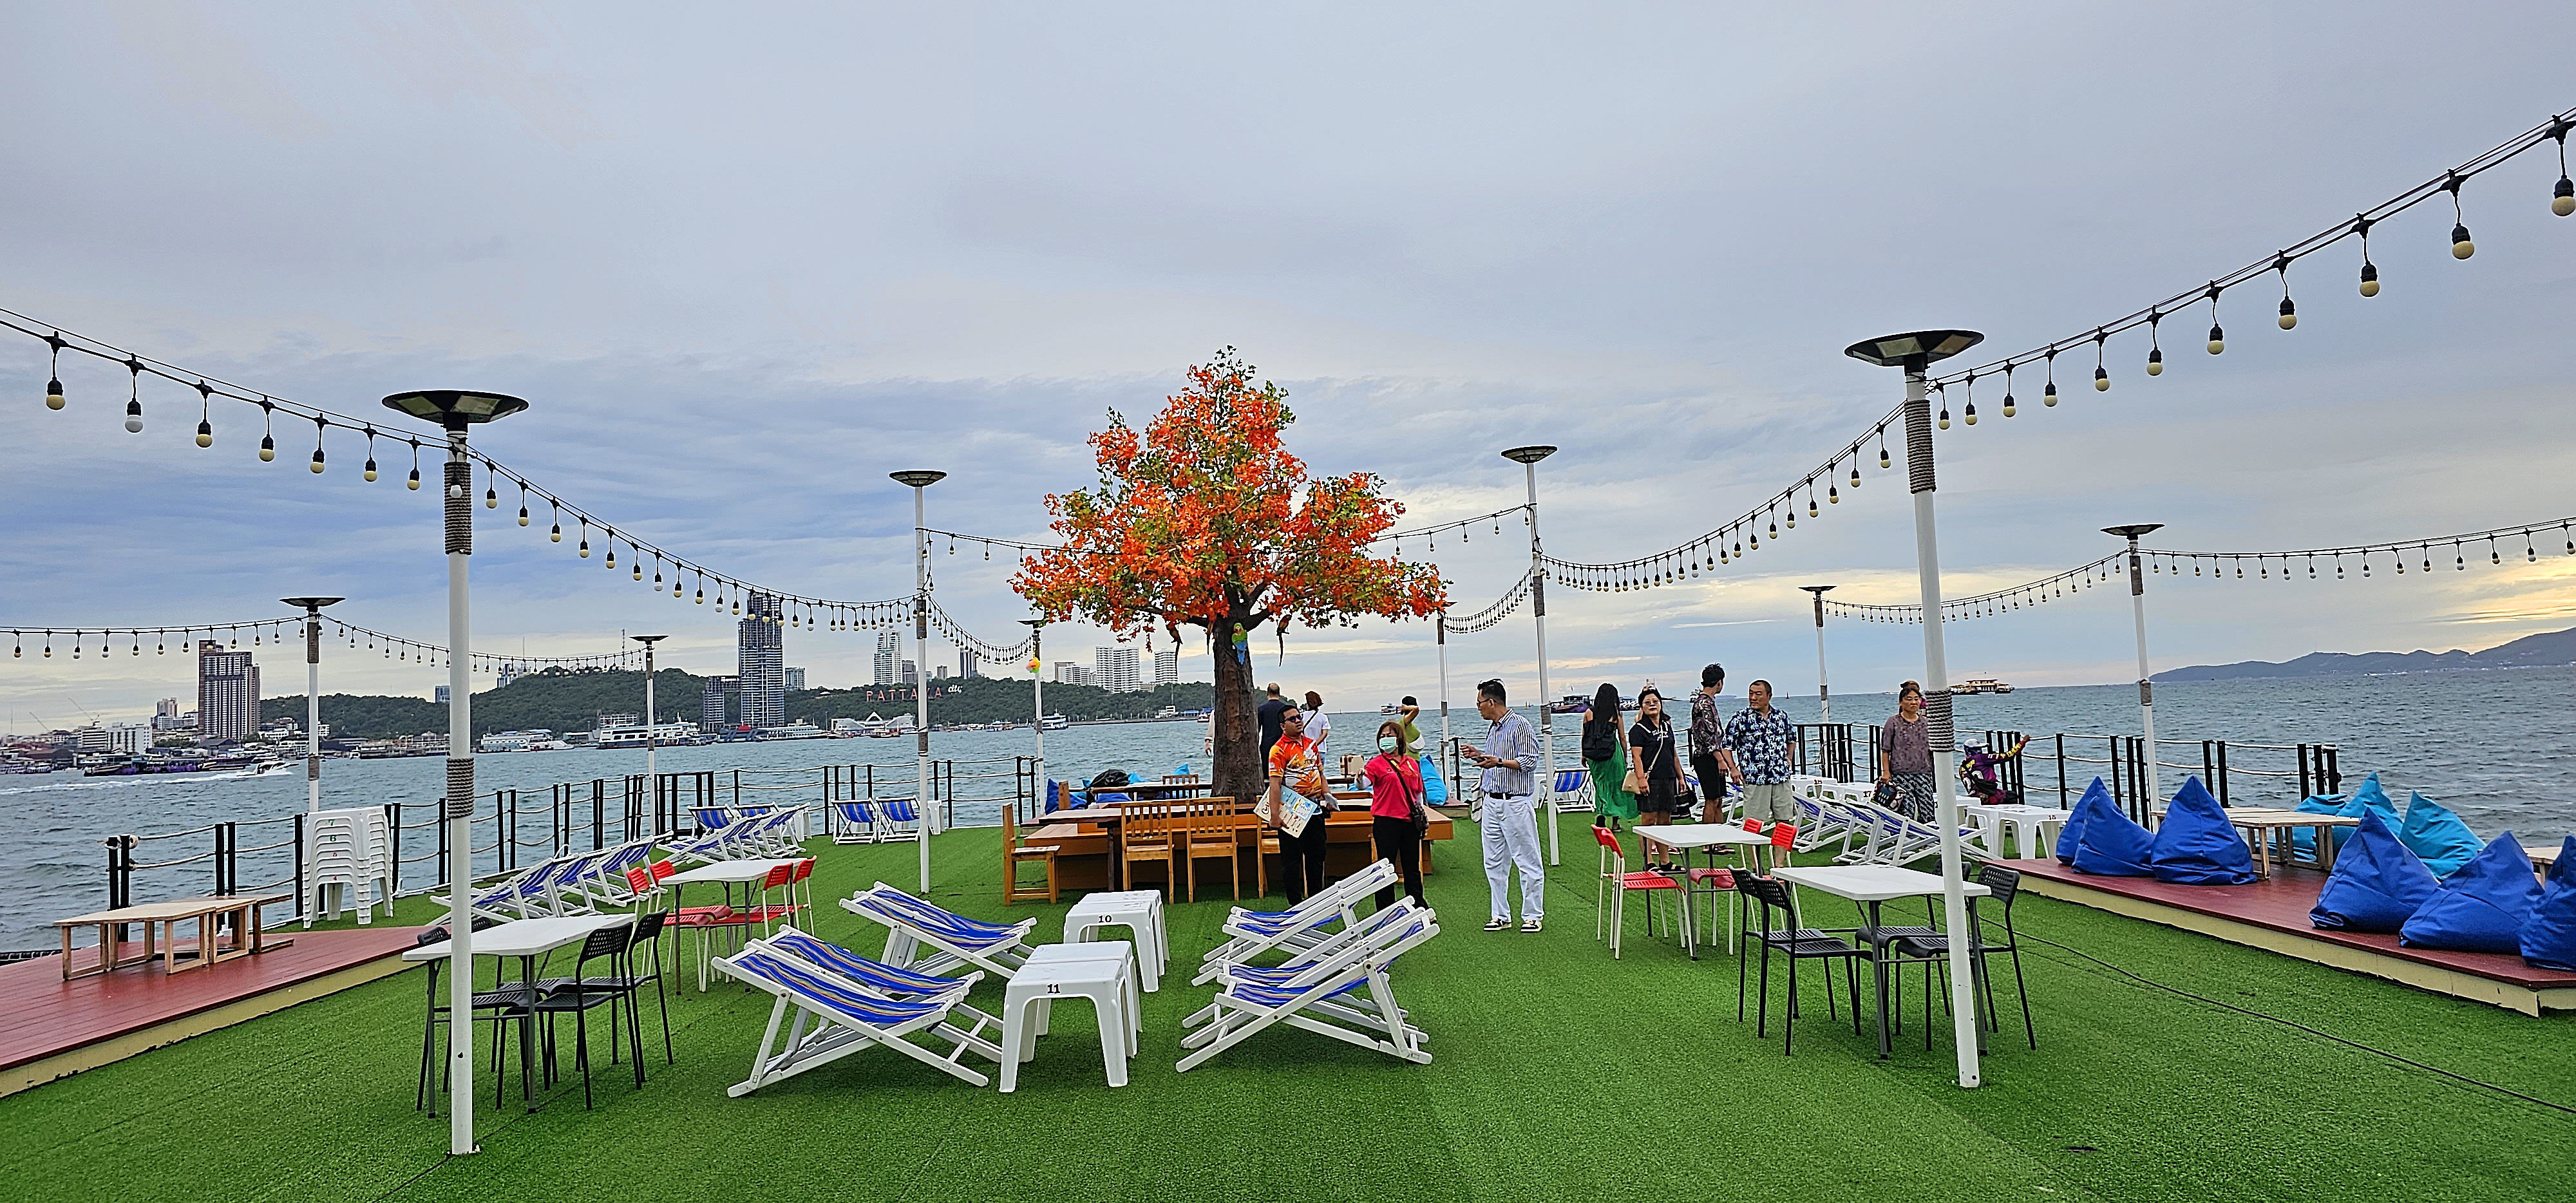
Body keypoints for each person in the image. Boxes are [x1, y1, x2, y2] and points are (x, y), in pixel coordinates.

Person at [1459, 678, 1544, 932]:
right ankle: (1500, 915)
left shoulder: (1520, 726)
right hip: (1492, 801)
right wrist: (1479, 755)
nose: (1478, 707)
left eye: (1479, 703)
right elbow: (1497, 760)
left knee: (1527, 859)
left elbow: (1530, 761)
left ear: (1491, 702)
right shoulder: (1494, 729)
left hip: (1515, 802)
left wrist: (1497, 762)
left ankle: (1533, 915)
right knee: (1493, 860)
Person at [1262, 703, 1335, 903]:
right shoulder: (1278, 750)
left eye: (1299, 717)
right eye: (1292, 719)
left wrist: (1327, 796)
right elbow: (1275, 784)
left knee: (1316, 857)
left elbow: (1320, 773)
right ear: (1283, 726)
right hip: (1291, 811)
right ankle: (1295, 904)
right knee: (1292, 861)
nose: (1298, 721)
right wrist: (1274, 816)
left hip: (1314, 809)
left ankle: (1317, 900)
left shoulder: (1312, 744)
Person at [1363, 719, 1429, 908]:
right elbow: (1364, 783)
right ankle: (1386, 909)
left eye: (1389, 736)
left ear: (1399, 738)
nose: (1385, 739)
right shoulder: (1376, 763)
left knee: (1412, 867)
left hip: (1409, 821)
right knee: (1385, 866)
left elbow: (1417, 792)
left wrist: (1422, 816)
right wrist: (1359, 778)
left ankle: (1418, 905)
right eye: (1382, 736)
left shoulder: (1411, 763)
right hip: (1386, 821)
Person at [1720, 679, 1797, 834]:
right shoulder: (1741, 719)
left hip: (1781, 776)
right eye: (1751, 694)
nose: (1753, 698)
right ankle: (1754, 852)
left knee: (1784, 822)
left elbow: (1791, 739)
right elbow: (1726, 747)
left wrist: (1789, 758)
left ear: (1769, 696)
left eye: (1758, 694)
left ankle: (1780, 852)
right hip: (1755, 778)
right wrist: (1733, 769)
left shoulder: (1781, 716)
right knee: (1753, 824)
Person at [1628, 687, 1683, 869]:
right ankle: (1648, 861)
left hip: (1668, 777)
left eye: (1655, 702)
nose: (1652, 705)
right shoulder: (1638, 730)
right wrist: (1641, 779)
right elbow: (1636, 757)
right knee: (1648, 820)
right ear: (1642, 707)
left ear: (1661, 704)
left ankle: (1665, 861)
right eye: (1647, 703)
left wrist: (1680, 777)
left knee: (1665, 820)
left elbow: (1673, 753)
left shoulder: (1667, 727)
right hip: (1650, 779)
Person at [1877, 681, 1936, 823]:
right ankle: (1904, 835)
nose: (1913, 702)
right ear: (1901, 702)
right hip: (1900, 774)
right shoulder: (1893, 722)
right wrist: (1886, 772)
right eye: (1909, 699)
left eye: (1916, 699)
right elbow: (1885, 750)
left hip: (1924, 772)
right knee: (1906, 811)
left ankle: (1928, 835)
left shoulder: (1927, 722)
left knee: (1928, 810)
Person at [1580, 682, 1634, 829]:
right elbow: (1622, 737)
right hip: (1612, 753)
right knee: (1616, 786)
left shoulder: (1589, 713)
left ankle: (1601, 814)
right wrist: (1625, 756)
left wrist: (1584, 754)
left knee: (1600, 784)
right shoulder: (1616, 715)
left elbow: (1585, 735)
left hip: (1594, 755)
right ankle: (1615, 824)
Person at [1687, 663, 1725, 822]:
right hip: (1707, 757)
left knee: (1718, 800)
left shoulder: (1708, 702)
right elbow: (1709, 737)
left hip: (1713, 756)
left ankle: (1720, 834)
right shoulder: (1703, 705)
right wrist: (1721, 759)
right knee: (1711, 800)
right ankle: (1709, 836)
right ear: (1719, 683)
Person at [1256, 683, 1291, 764]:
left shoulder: (1261, 709)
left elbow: (1257, 729)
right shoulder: (1285, 709)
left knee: (1267, 770)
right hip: (1283, 745)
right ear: (1279, 693)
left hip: (1267, 745)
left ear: (1268, 693)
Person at [1303, 690, 1332, 762]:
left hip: (1306, 749)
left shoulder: (1301, 716)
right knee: (1320, 768)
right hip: (1320, 749)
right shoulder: (1323, 717)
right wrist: (1315, 745)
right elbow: (1325, 733)